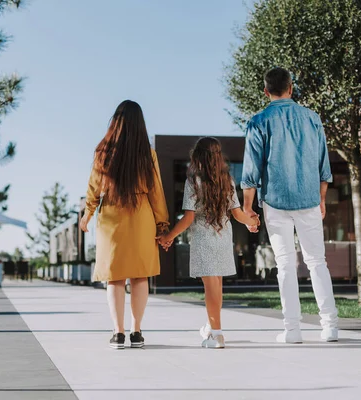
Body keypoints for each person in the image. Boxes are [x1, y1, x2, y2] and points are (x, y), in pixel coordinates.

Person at [240, 67, 339, 343]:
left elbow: (251, 170)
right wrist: (321, 199)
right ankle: (330, 326)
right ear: (291, 88)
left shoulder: (258, 121)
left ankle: (292, 330)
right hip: (308, 200)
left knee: (284, 265)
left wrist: (248, 208)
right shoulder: (312, 118)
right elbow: (323, 166)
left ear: (265, 91)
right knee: (317, 262)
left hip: (275, 201)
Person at [80, 100, 169, 350]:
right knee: (140, 276)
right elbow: (156, 192)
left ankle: (118, 333)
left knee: (114, 278)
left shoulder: (103, 152)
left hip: (111, 217)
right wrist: (162, 224)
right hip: (141, 215)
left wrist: (87, 215)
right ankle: (136, 332)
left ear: (115, 121)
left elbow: (93, 189)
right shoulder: (148, 155)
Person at [158, 137, 259, 348]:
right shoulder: (227, 181)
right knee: (216, 287)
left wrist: (168, 237)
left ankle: (217, 334)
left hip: (203, 239)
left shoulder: (193, 181)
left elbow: (188, 218)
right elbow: (238, 214)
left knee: (211, 288)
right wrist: (252, 222)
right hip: (223, 238)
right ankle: (211, 326)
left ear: (198, 157)